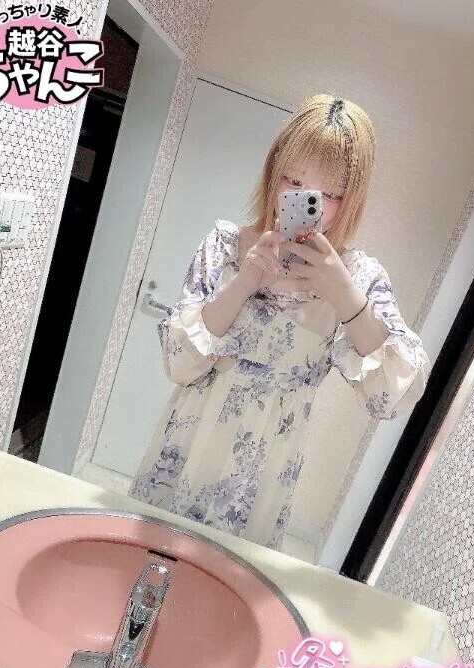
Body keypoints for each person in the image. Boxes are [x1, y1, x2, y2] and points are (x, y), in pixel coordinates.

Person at [129, 94, 430, 549]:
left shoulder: (360, 278)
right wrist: (245, 280)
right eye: (294, 180)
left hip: (265, 467)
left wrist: (342, 293)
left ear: (351, 199)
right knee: (152, 563)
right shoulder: (224, 245)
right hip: (188, 442)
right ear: (273, 172)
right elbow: (179, 364)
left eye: (330, 194)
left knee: (230, 583)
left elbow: (392, 396)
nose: (309, 202)